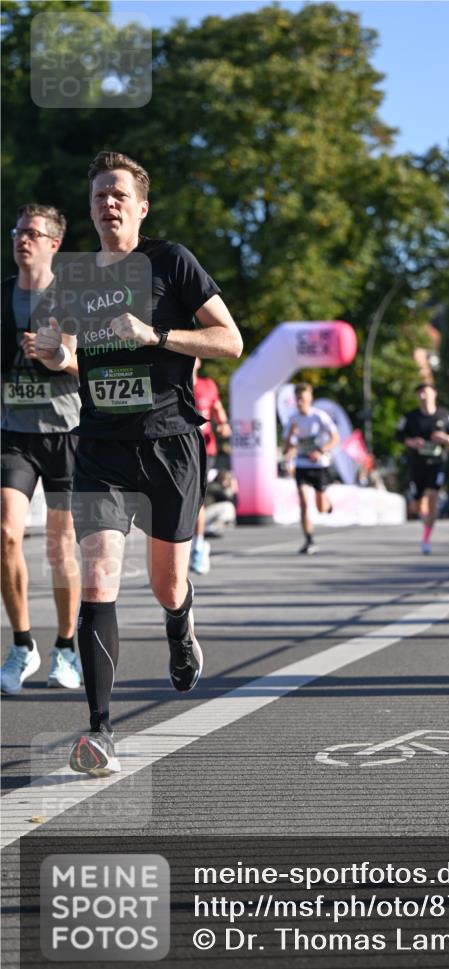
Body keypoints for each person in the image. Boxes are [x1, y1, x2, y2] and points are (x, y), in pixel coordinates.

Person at [33, 151, 242, 776]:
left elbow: (229, 341)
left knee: (165, 584)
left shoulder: (170, 263)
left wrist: (157, 336)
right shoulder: (72, 278)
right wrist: (52, 355)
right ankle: (99, 731)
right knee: (97, 580)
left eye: (119, 194)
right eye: (98, 196)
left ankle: (180, 623)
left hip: (170, 443)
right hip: (100, 445)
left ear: (141, 206)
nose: (108, 204)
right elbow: (74, 357)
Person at [1, 204, 82, 694]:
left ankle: (67, 647)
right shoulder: (1, 295)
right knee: (7, 533)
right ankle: (22, 644)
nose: (22, 240)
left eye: (33, 233)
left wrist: (58, 357)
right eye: (17, 232)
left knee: (60, 546)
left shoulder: (71, 297)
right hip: (13, 433)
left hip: (66, 431)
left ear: (54, 243)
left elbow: (84, 367)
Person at [396, 383, 449, 555]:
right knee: (417, 504)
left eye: (426, 392)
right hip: (416, 464)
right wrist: (412, 442)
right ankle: (425, 519)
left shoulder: (444, 415)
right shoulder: (410, 417)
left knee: (432, 497)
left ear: (434, 394)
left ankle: (426, 538)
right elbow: (399, 435)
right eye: (419, 393)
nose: (423, 396)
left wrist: (445, 438)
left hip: (437, 463)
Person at [282, 383, 339, 555]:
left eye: (303, 399)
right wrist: (291, 435)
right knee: (304, 503)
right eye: (298, 399)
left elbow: (335, 438)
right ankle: (309, 540)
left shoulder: (319, 417)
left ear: (310, 399)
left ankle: (328, 504)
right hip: (302, 465)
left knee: (321, 508)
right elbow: (286, 449)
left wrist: (320, 450)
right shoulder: (292, 420)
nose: (300, 403)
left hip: (319, 465)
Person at [190, 357, 231, 574]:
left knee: (196, 498)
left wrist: (223, 424)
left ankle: (197, 546)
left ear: (199, 361)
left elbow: (217, 408)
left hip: (206, 450)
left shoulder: (208, 385)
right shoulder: (175, 383)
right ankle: (192, 543)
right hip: (180, 449)